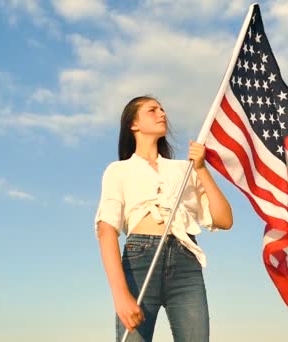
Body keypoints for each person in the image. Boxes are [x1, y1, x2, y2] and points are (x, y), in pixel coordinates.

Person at [95, 95, 233, 342]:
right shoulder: (119, 170)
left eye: (162, 109)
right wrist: (120, 295)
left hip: (185, 264)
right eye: (152, 110)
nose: (162, 114)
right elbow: (106, 231)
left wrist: (201, 169)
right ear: (133, 124)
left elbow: (224, 219)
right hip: (139, 262)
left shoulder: (185, 168)